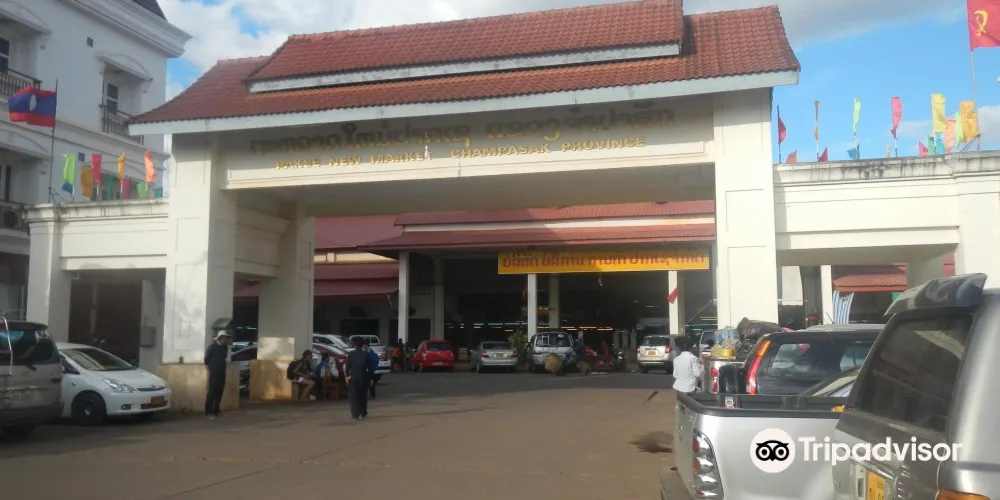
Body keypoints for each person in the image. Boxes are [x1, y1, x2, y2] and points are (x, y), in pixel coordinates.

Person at [203, 331, 231, 419]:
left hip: (222, 372)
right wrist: (210, 368)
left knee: (219, 392)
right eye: (223, 337)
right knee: (212, 392)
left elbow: (224, 357)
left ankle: (216, 410)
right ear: (219, 338)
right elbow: (206, 360)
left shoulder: (225, 347)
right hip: (214, 373)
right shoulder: (212, 347)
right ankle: (208, 412)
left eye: (225, 338)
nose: (224, 339)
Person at [345, 337, 372, 420]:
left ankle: (355, 414)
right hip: (364, 377)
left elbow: (347, 366)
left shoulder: (351, 354)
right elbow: (369, 368)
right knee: (363, 395)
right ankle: (363, 412)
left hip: (354, 377)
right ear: (362, 345)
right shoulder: (366, 354)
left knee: (354, 395)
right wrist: (371, 378)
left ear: (355, 345)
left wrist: (347, 376)